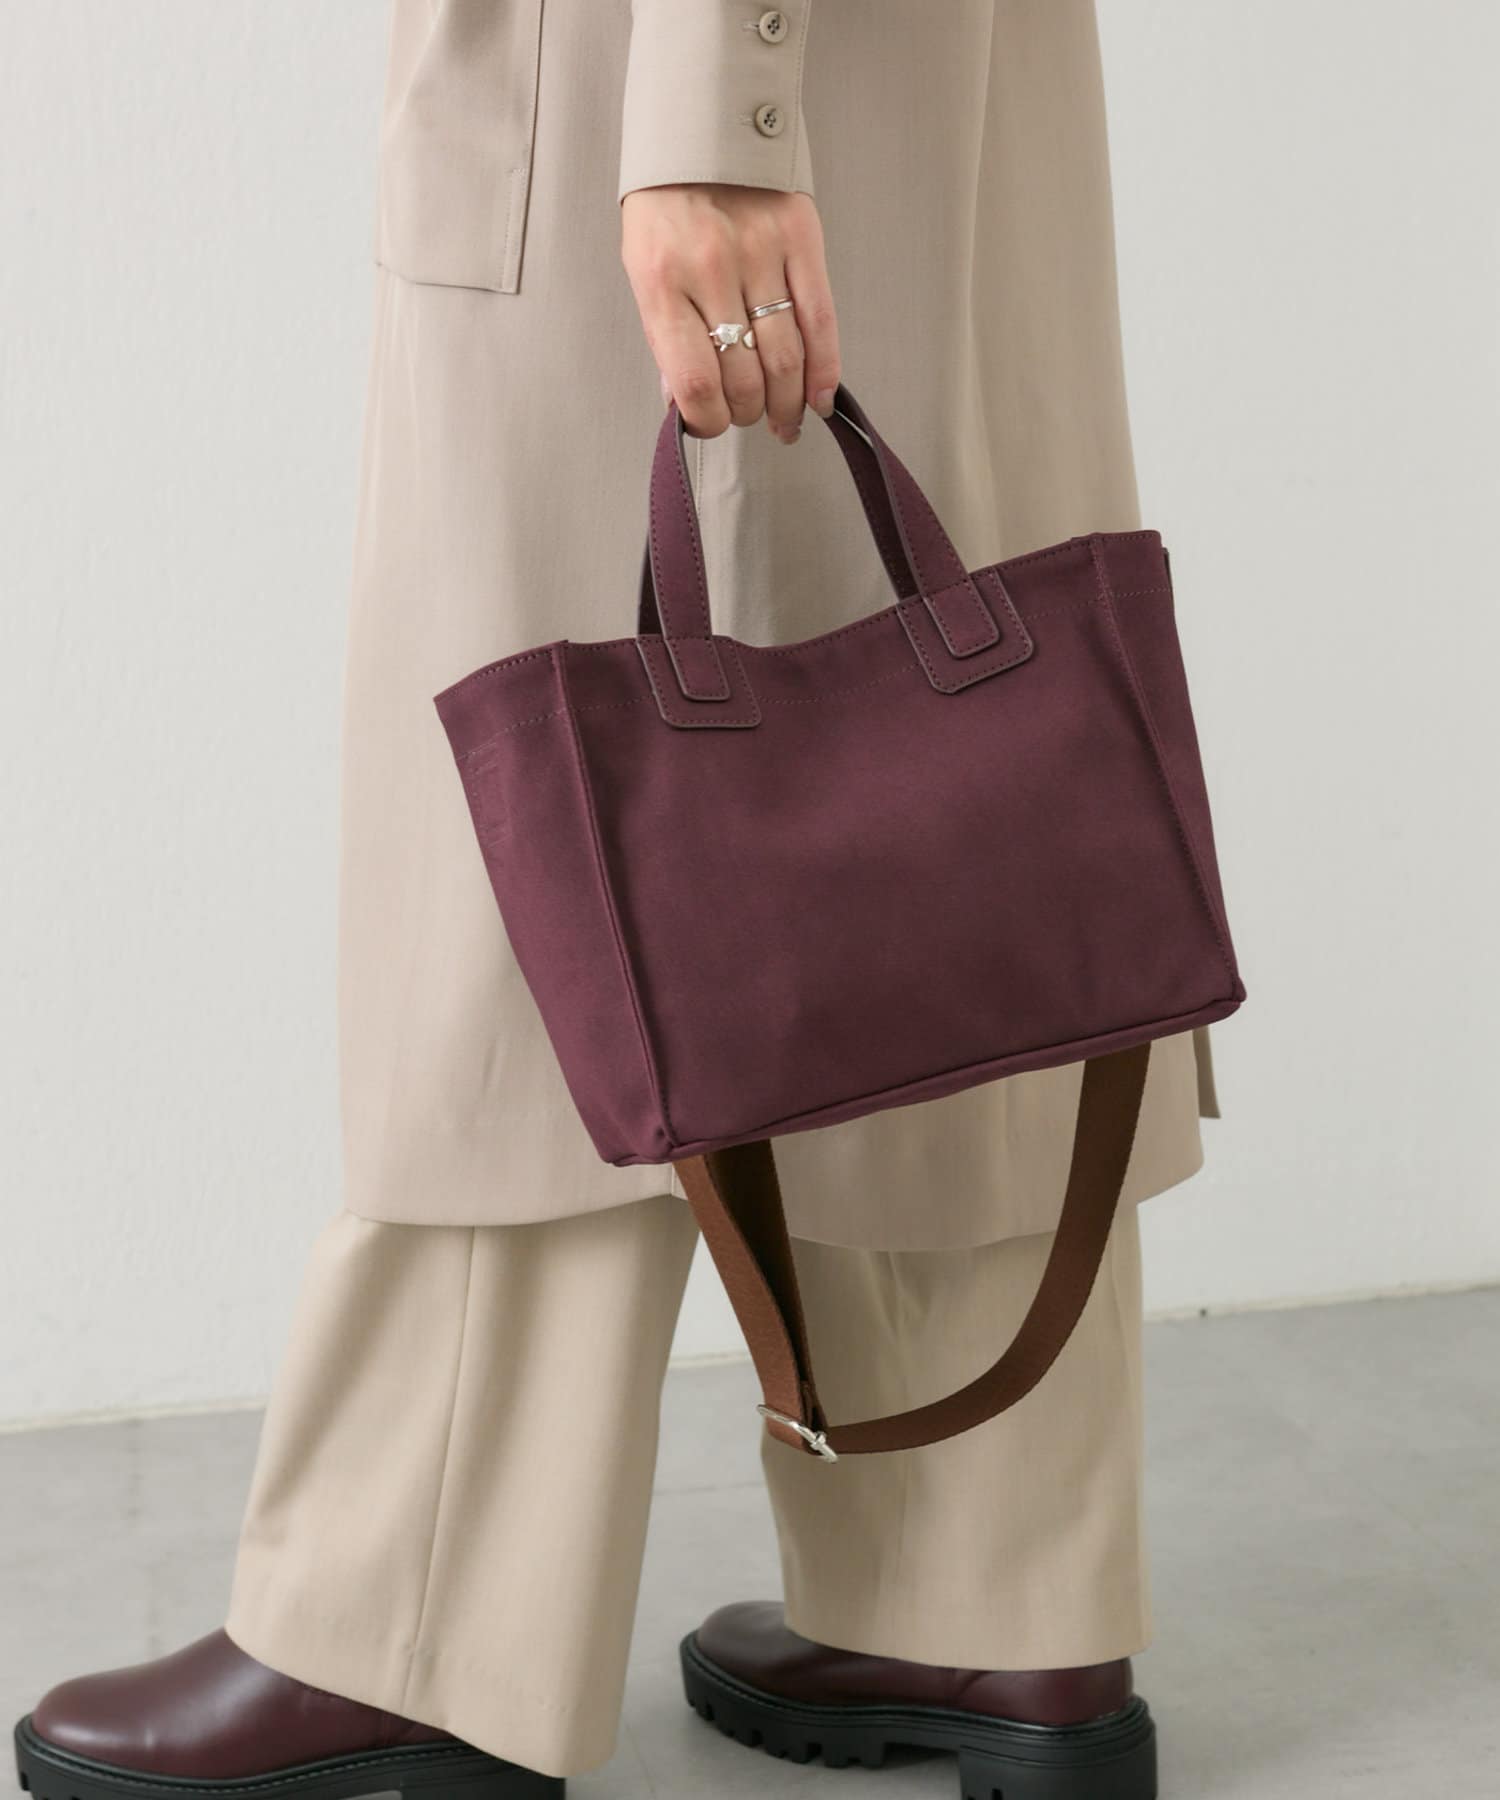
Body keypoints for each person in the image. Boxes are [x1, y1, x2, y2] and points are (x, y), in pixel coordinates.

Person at [15, 4, 1217, 1797]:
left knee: (540, 872)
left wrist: (715, 123)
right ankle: (990, 1594)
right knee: (953, 830)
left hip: (643, 68)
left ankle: (421, 1634)